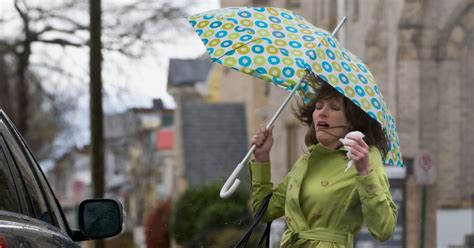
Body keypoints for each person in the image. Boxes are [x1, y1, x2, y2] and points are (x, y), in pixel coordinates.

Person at [249, 77, 397, 247]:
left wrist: (365, 172)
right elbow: (263, 212)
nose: (322, 112)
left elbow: (384, 229)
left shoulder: (366, 157)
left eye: (334, 107)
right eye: (318, 107)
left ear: (352, 121)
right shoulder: (306, 162)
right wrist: (261, 158)